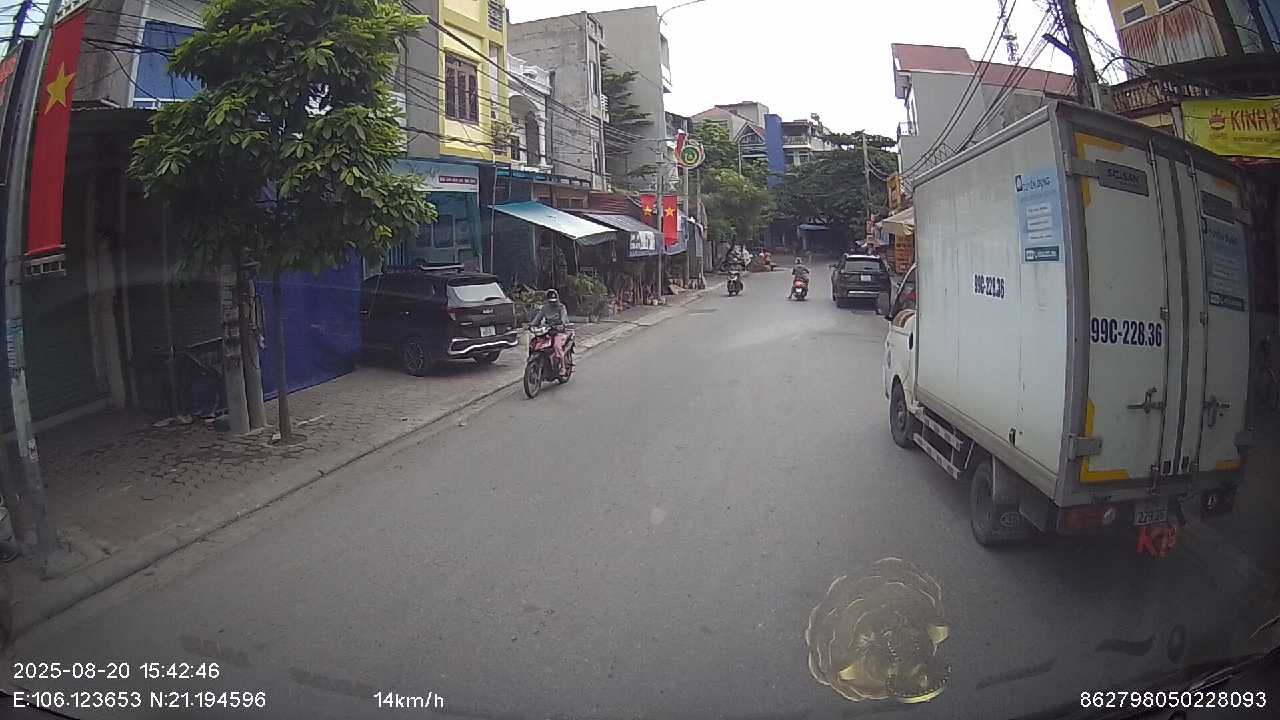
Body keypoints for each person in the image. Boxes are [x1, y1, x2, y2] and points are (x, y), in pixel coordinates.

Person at [530, 289, 570, 371]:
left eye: (554, 301)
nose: (552, 303)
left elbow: (564, 318)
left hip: (559, 331)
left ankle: (562, 367)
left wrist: (561, 325)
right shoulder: (545, 308)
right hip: (547, 330)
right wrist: (531, 325)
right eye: (550, 301)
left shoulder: (561, 307)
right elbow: (538, 318)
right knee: (534, 343)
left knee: (556, 346)